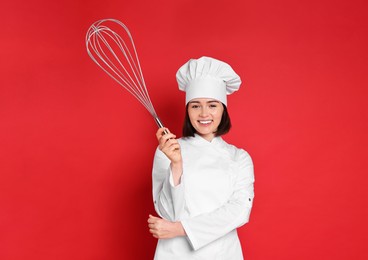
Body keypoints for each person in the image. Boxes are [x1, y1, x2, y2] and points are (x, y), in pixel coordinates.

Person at [147, 56, 255, 259]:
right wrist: (176, 164)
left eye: (212, 105)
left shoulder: (239, 158)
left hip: (223, 253)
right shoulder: (168, 150)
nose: (204, 113)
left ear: (223, 109)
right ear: (188, 110)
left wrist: (180, 230)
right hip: (176, 254)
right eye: (195, 105)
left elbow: (240, 211)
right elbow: (168, 214)